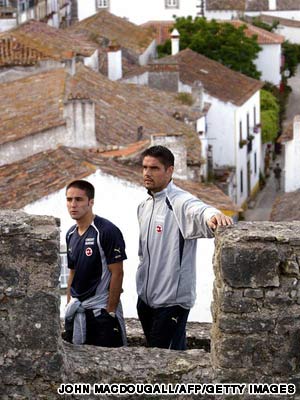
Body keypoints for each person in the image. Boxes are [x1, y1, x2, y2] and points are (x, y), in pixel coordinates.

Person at [136, 145, 233, 350]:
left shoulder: (179, 201)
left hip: (172, 303)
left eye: (154, 168)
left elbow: (199, 209)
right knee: (154, 362)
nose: (147, 173)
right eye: (144, 167)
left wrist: (213, 215)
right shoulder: (144, 206)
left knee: (165, 366)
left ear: (169, 171)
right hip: (145, 301)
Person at [63, 180, 127, 347]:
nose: (73, 204)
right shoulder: (70, 234)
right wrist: (68, 304)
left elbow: (117, 272)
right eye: (69, 200)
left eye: (79, 199)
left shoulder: (106, 231)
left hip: (101, 313)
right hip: (78, 311)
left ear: (91, 202)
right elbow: (72, 273)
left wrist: (110, 311)